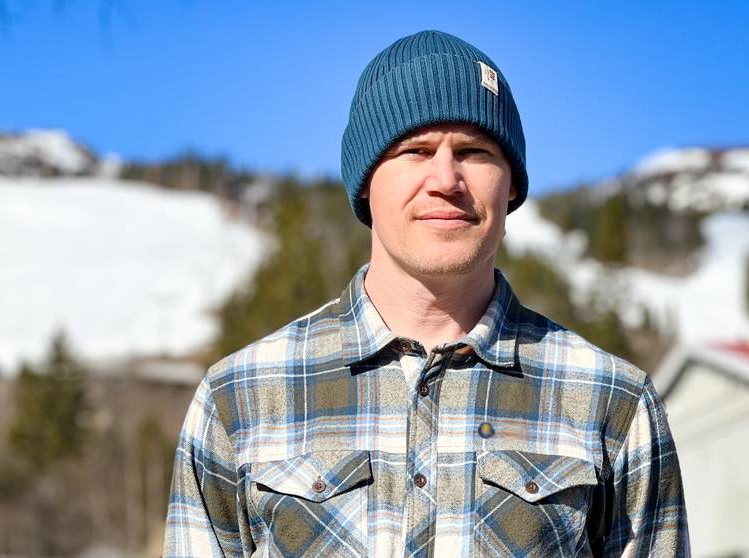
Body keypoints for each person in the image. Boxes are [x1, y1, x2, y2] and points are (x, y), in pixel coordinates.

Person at [164, 30, 689, 557]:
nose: (446, 179)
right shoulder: (239, 398)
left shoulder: (615, 404)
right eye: (415, 151)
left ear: (510, 184)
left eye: (474, 151)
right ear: (365, 180)